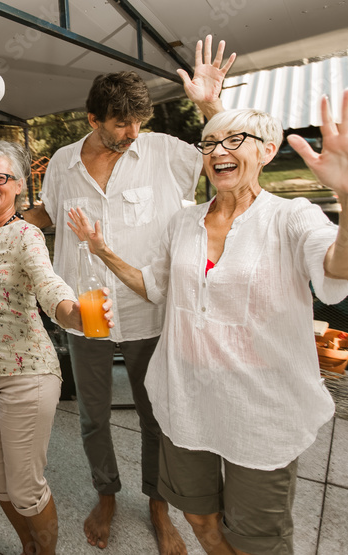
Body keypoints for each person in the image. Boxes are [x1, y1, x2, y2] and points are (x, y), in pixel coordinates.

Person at [68, 95, 348, 554]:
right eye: (209, 143)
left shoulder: (291, 217)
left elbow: (345, 267)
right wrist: (102, 252)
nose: (218, 151)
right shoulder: (183, 223)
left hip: (258, 411)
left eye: (235, 140)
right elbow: (154, 286)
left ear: (267, 150)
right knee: (199, 515)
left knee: (258, 541)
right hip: (185, 401)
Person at [22, 36, 236, 553]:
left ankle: (159, 505)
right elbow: (47, 215)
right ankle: (107, 494)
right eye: (121, 123)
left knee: (154, 413)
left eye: (139, 121)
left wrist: (213, 106)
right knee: (94, 414)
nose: (132, 132)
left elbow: (231, 158)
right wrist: (3, 230)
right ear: (93, 118)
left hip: (149, 304)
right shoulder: (61, 164)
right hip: (86, 306)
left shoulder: (165, 152)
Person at [0, 133, 109, 554]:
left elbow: (49, 288)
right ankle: (28, 545)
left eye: (0, 178)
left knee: (26, 488)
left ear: (18, 186)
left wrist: (75, 314)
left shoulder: (26, 235)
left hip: (27, 376)